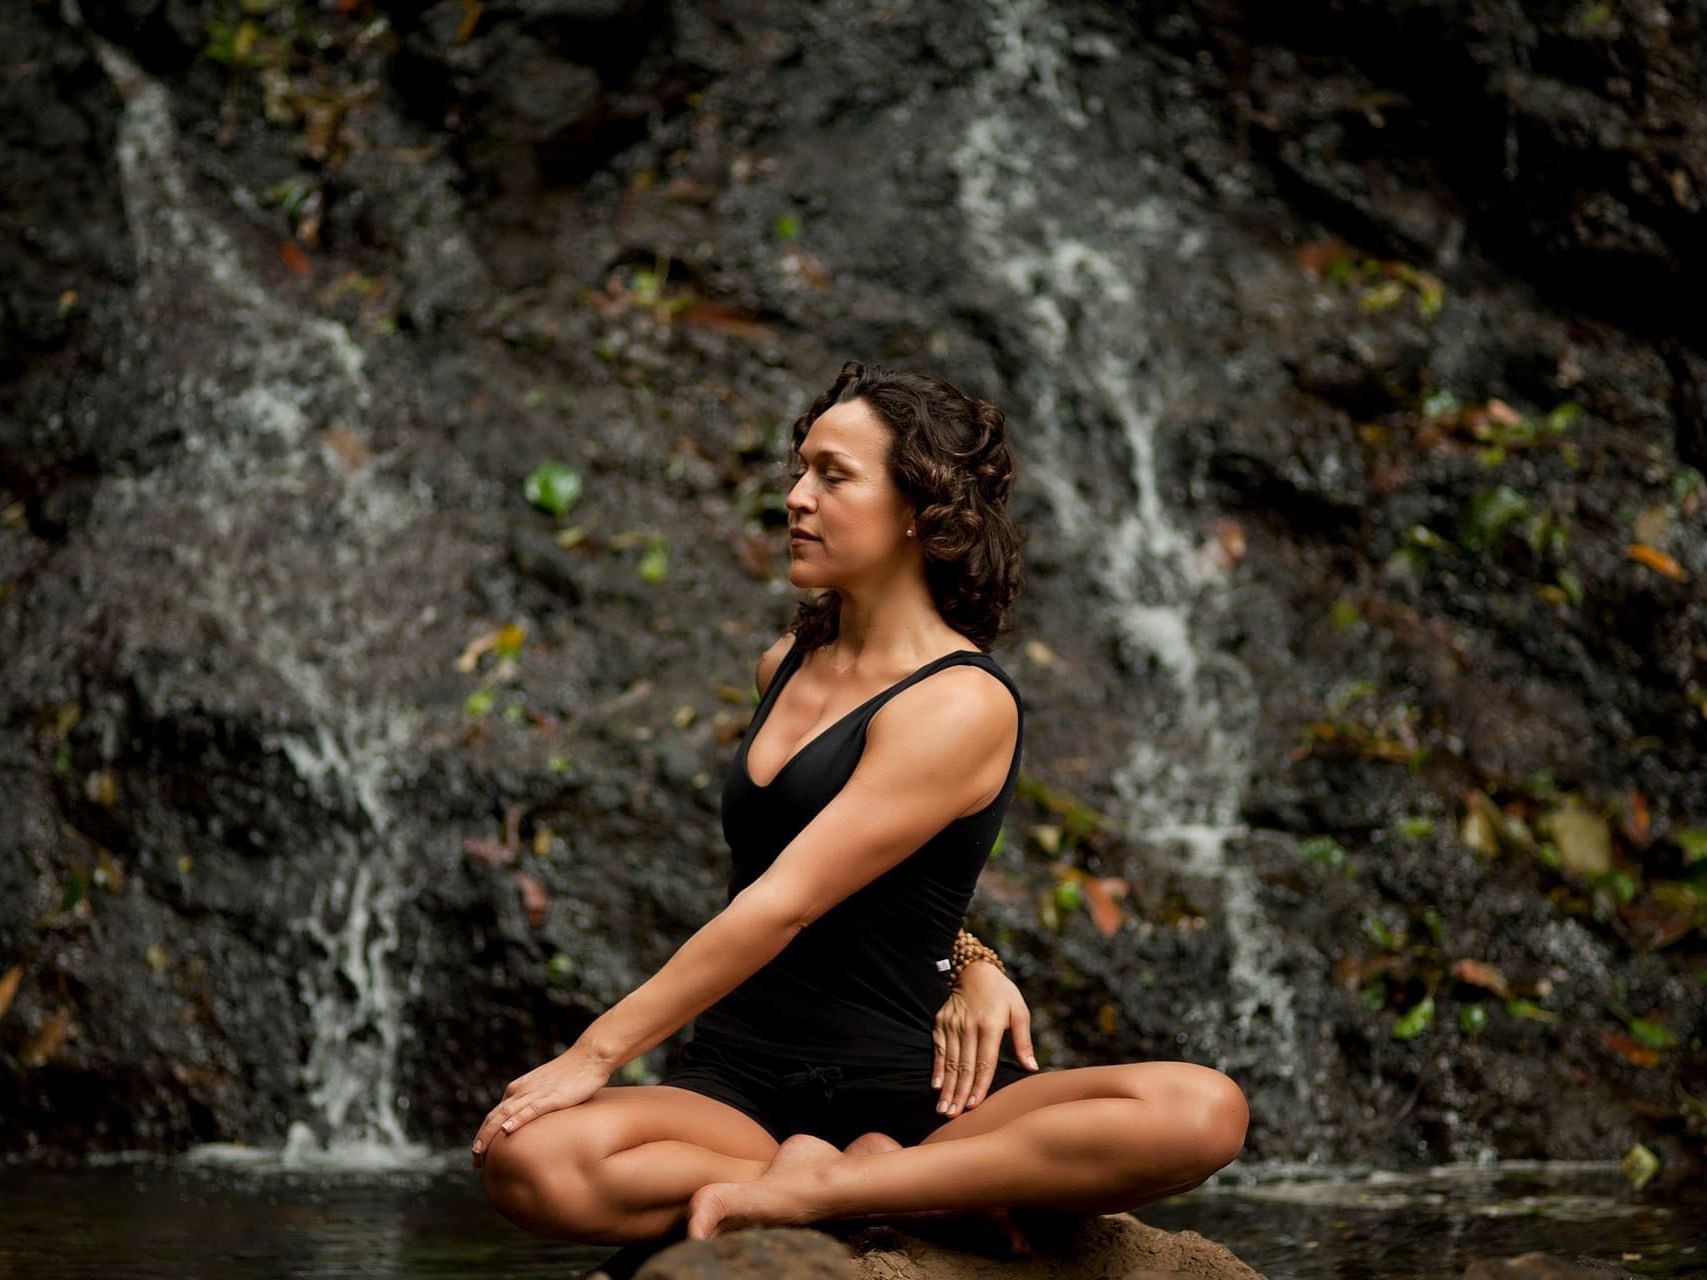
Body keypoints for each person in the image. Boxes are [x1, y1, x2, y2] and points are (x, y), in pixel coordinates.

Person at [472, 361, 1249, 1244]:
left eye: (832, 475)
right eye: (799, 470)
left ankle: (819, 1196)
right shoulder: (786, 662)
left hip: (913, 1089)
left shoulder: (959, 701)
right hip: (741, 1083)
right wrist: (971, 956)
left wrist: (593, 1054)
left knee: (1200, 1109)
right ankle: (885, 1189)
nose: (797, 498)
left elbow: (788, 900)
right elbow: (840, 875)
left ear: (924, 509)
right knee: (530, 1163)